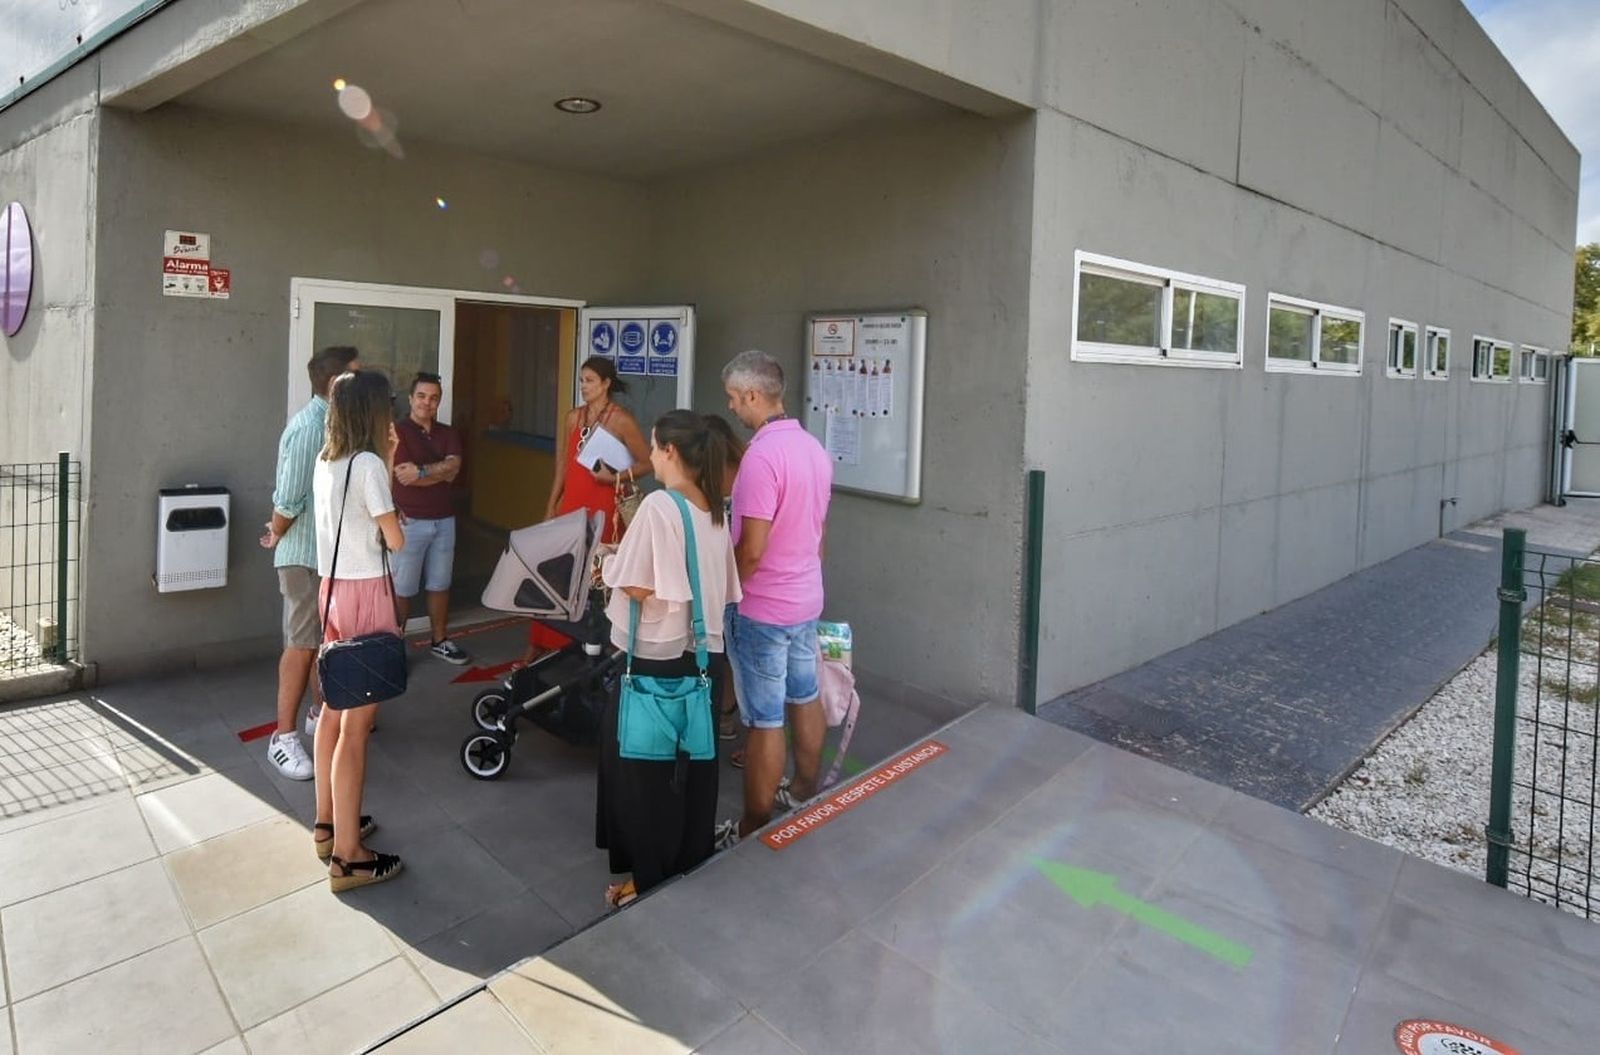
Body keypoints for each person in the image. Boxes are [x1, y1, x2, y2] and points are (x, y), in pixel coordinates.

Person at [596, 410, 740, 906]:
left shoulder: (660, 506)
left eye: (655, 448)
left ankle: (646, 879)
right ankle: (685, 860)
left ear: (672, 452)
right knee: (692, 771)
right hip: (703, 656)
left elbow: (638, 584)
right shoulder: (713, 507)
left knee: (643, 777)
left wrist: (606, 561)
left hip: (653, 660)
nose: (651, 457)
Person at [717, 350, 833, 847]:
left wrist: (726, 594)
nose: (732, 410)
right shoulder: (812, 448)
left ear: (752, 395)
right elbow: (818, 533)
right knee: (805, 694)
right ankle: (804, 789)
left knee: (763, 720)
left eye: (733, 400)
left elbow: (753, 549)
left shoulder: (761, 458)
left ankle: (753, 824)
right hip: (806, 599)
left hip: (761, 608)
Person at [312, 369, 406, 891]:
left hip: (332, 590)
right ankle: (349, 856)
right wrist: (388, 463)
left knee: (334, 708)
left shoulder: (327, 461)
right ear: (372, 411)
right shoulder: (369, 463)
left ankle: (329, 825)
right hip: (368, 591)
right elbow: (394, 540)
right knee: (358, 727)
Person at [261, 345, 359, 780]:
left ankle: (320, 716)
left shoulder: (337, 424)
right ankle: (282, 739)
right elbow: (289, 498)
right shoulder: (308, 429)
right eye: (356, 375)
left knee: (323, 644)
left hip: (327, 556)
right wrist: (277, 532)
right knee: (301, 646)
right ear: (337, 383)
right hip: (303, 557)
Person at [525, 356, 651, 663]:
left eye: (590, 380)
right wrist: (550, 505)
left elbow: (649, 462)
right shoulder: (573, 417)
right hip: (572, 504)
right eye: (581, 380)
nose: (584, 386)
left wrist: (616, 477)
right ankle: (542, 643)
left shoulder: (621, 419)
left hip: (604, 506)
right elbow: (562, 467)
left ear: (606, 383)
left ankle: (588, 646)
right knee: (557, 574)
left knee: (593, 579)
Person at [391, 371, 470, 664]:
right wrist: (442, 470)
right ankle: (394, 644)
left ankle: (439, 640)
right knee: (402, 589)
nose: (427, 402)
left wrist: (423, 471)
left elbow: (454, 469)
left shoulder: (448, 433)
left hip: (444, 520)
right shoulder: (397, 432)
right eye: (422, 396)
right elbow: (404, 477)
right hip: (409, 521)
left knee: (440, 583)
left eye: (434, 397)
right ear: (411, 398)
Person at [703, 414, 748, 744]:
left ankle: (721, 712)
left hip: (728, 575)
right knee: (733, 653)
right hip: (743, 575)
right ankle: (727, 714)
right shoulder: (747, 467)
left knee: (724, 647)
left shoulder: (717, 476)